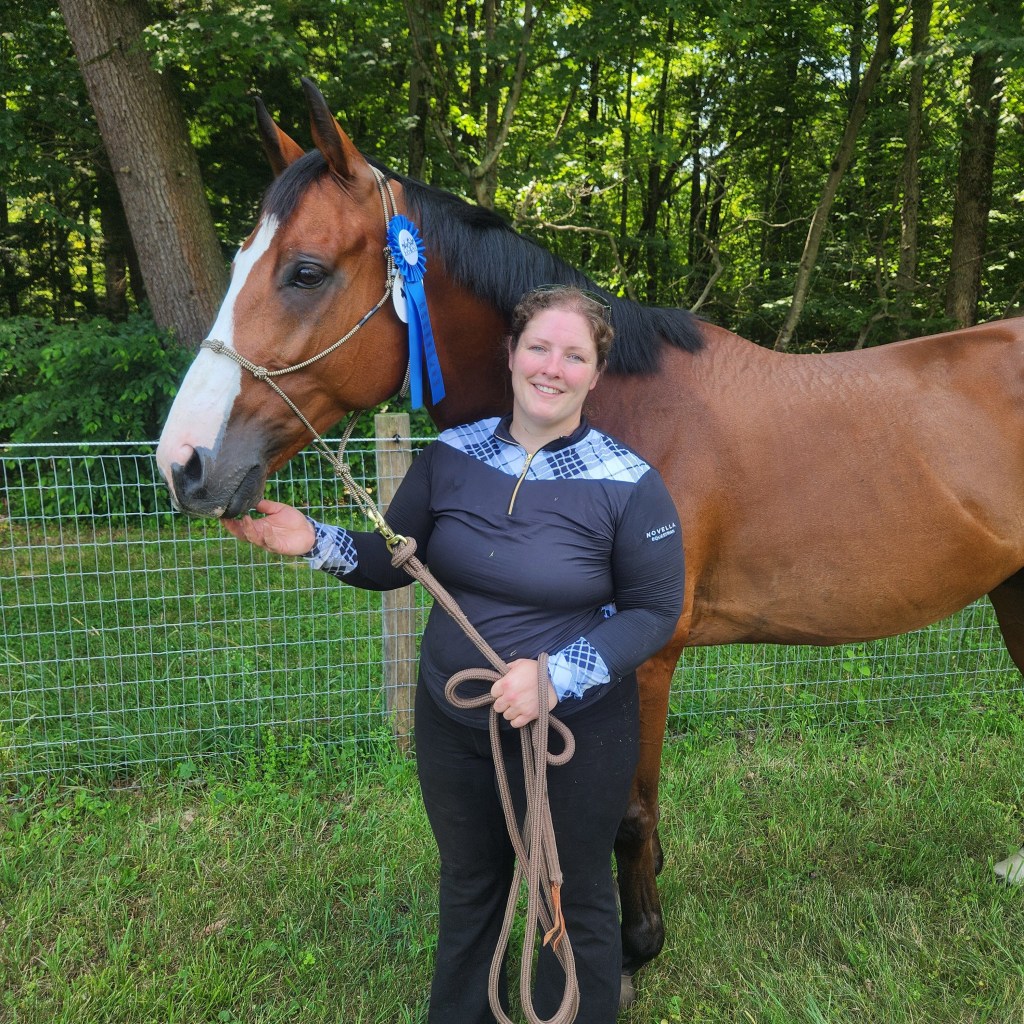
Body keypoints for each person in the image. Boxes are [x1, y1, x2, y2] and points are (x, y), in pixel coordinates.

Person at [221, 285, 685, 1022]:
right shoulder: (451, 455)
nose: (552, 367)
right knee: (471, 883)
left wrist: (554, 678)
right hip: (454, 725)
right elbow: (392, 560)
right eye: (539, 347)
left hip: (573, 733)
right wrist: (313, 541)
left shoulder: (630, 484)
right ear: (511, 354)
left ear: (596, 374)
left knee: (569, 891)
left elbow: (654, 611)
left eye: (574, 356)